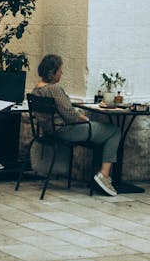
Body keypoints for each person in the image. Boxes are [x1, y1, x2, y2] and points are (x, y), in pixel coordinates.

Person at [34, 54, 121, 197]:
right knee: (114, 131)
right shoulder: (54, 89)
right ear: (53, 72)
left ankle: (98, 177)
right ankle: (104, 175)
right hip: (65, 131)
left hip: (51, 131)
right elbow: (70, 115)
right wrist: (84, 118)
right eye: (60, 70)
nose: (61, 73)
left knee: (102, 132)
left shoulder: (36, 90)